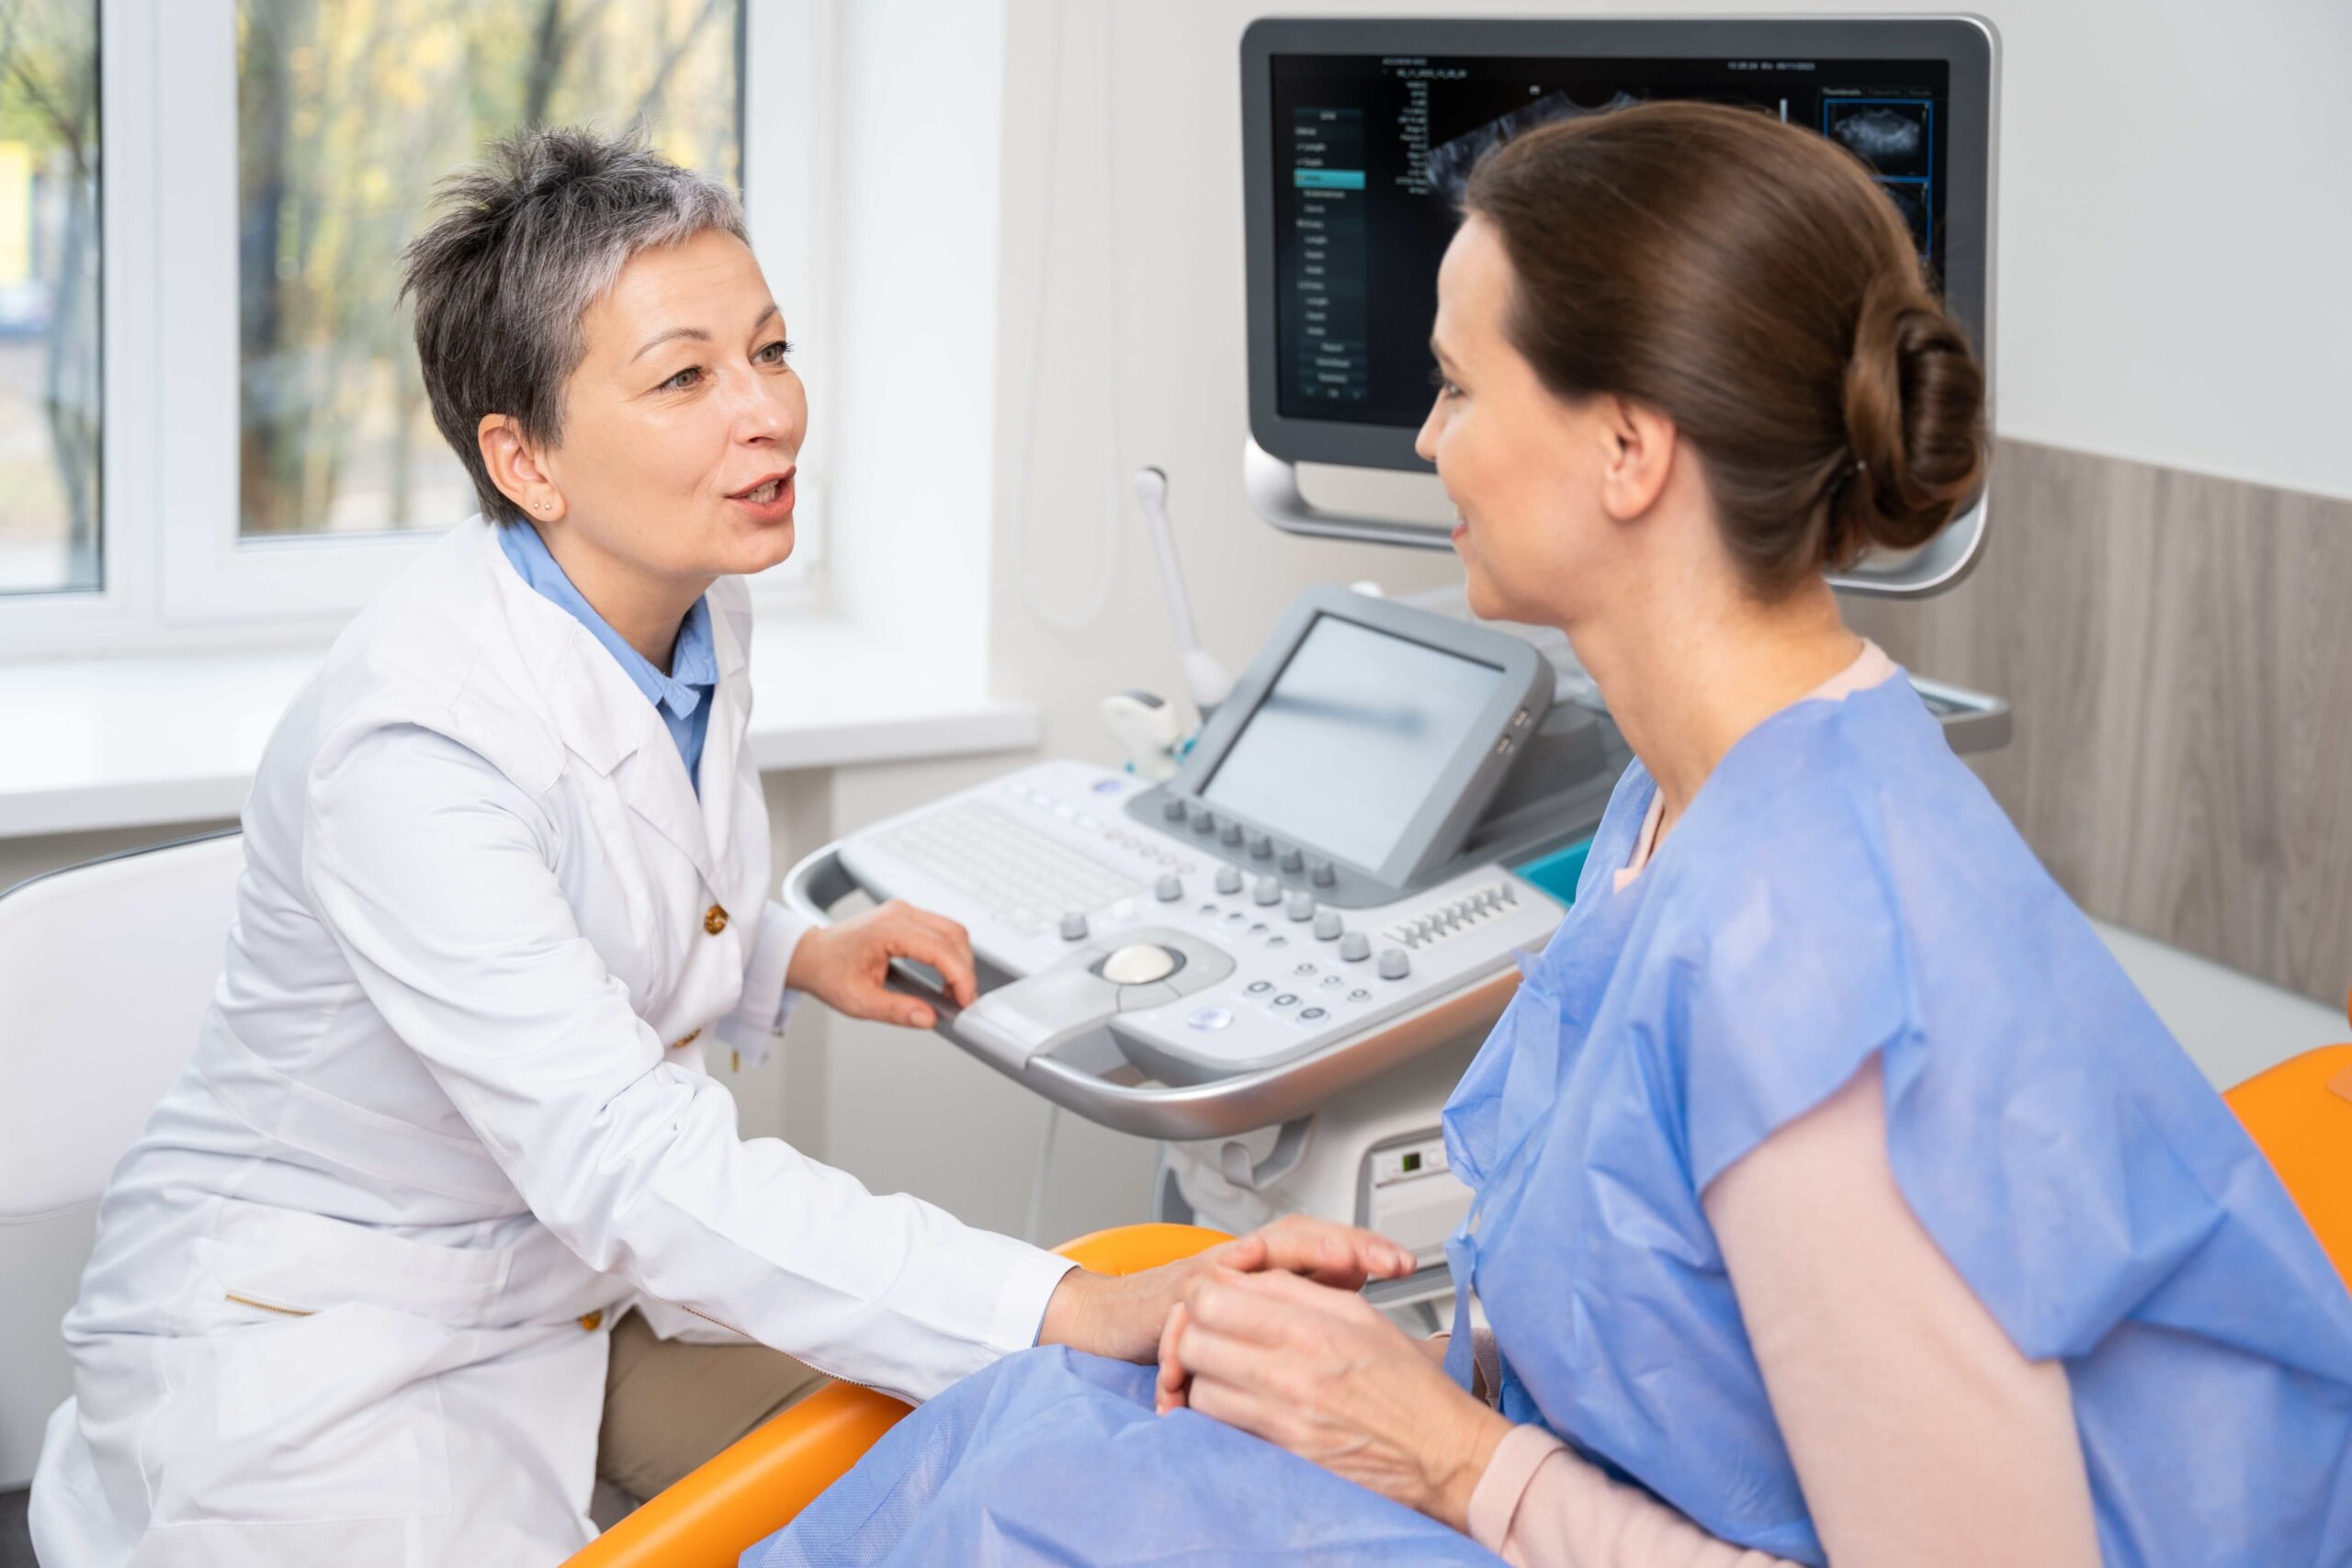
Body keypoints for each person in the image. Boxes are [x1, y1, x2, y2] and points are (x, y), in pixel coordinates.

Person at [758, 101, 2352, 1567]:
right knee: (1037, 1438)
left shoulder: (1810, 955)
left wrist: (1454, 1460)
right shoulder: (1686, 796)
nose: (1429, 440)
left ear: (1628, 449)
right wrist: (1390, 1377)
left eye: (1458, 384)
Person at [27, 127, 1411, 1568]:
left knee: (1005, 1474)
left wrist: (788, 953)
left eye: (771, 349)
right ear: (525, 456)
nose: (770, 415)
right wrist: (1058, 1299)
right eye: (685, 377)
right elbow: (625, 1150)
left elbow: (605, 889)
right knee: (1022, 1379)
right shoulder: (414, 745)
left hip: (567, 1290)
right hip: (334, 1350)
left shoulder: (679, 595)